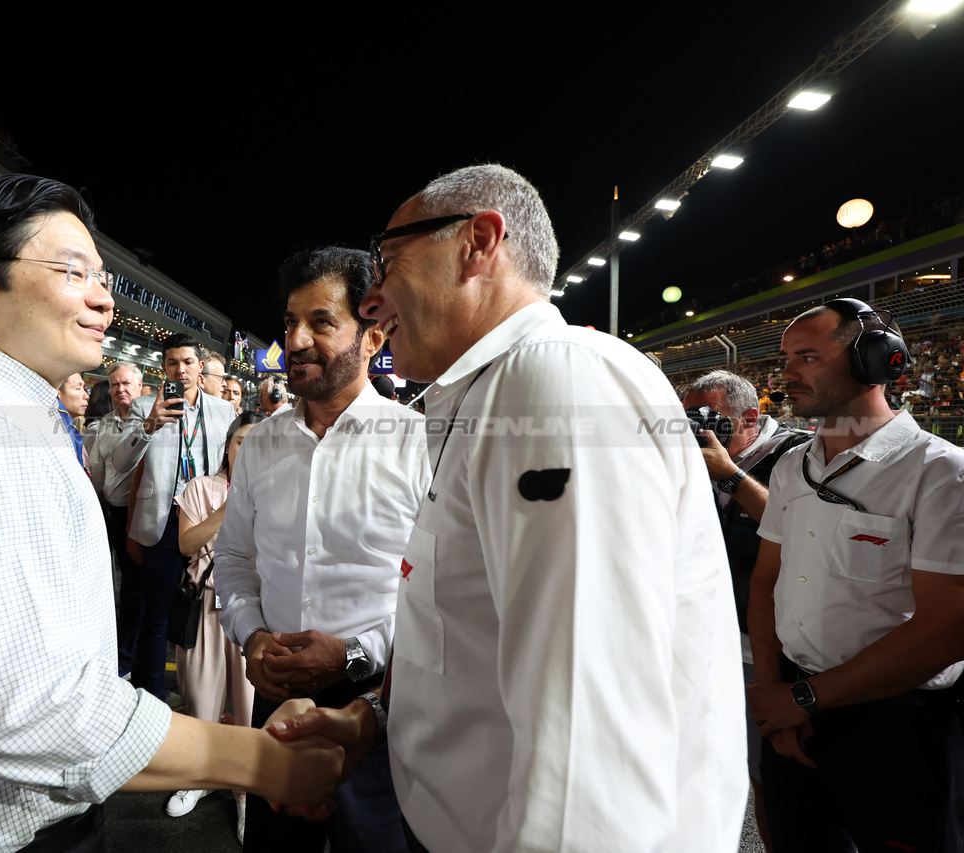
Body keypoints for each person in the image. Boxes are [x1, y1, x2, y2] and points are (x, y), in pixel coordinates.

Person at [0, 175, 346, 853]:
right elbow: (27, 709)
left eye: (101, 275)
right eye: (72, 271)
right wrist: (262, 761)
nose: (104, 296)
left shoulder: (1, 413)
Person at [272, 165, 746, 852]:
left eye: (387, 260)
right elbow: (472, 635)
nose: (371, 299)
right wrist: (376, 715)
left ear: (478, 242)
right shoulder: (483, 395)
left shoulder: (551, 377)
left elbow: (589, 747)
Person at [216, 247, 428, 853]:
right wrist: (253, 637)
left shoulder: (417, 443)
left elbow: (438, 591)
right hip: (276, 700)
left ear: (372, 335)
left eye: (321, 322)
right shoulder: (261, 444)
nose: (297, 340)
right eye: (289, 322)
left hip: (382, 708)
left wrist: (356, 657)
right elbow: (233, 559)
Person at [746, 300, 964, 852]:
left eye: (808, 357)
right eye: (786, 357)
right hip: (795, 700)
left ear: (874, 362)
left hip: (895, 723)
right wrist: (776, 694)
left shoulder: (940, 473)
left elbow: (944, 631)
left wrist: (803, 699)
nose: (786, 374)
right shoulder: (793, 466)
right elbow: (766, 580)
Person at [682, 369, 811, 850]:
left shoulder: (799, 453)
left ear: (751, 418)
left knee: (788, 781)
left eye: (710, 419)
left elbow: (799, 528)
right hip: (719, 632)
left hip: (781, 644)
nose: (699, 430)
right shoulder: (692, 458)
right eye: (689, 419)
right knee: (750, 772)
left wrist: (730, 476)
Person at [111, 333, 237, 700]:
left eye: (187, 363)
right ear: (163, 367)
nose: (180, 370)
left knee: (205, 611)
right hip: (162, 521)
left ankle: (203, 693)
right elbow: (121, 464)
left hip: (205, 521)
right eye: (172, 363)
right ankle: (151, 698)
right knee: (156, 616)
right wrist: (150, 426)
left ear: (201, 368)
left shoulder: (223, 411)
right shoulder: (145, 407)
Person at [165, 411, 264, 841]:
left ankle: (245, 793)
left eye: (258, 442)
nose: (248, 450)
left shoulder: (275, 490)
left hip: (254, 613)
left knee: (249, 702)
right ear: (228, 445)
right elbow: (186, 543)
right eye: (242, 441)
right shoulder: (200, 488)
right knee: (200, 697)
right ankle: (197, 777)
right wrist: (228, 507)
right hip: (204, 605)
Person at [88, 362, 144, 607]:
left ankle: (135, 642)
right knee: (123, 581)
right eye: (115, 385)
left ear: (140, 386)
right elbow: (98, 469)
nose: (120, 389)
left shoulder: (156, 421)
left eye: (126, 383)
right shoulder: (104, 424)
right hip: (115, 512)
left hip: (144, 513)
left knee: (141, 583)